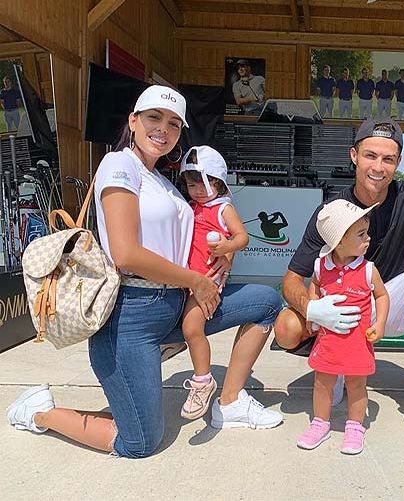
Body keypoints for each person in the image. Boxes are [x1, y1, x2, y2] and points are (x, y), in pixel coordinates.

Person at [5, 85, 284, 458]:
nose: (163, 129)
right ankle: (39, 411)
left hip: (177, 305)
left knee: (265, 301)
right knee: (139, 442)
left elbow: (187, 243)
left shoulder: (167, 183)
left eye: (173, 123)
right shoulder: (119, 164)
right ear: (133, 122)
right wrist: (197, 282)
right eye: (154, 118)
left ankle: (229, 402)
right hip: (132, 316)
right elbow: (126, 254)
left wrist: (223, 255)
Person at [274, 118, 404, 448]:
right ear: (354, 155)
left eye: (388, 159)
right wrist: (312, 308)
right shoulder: (330, 211)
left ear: (398, 163)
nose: (379, 166)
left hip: (388, 301)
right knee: (287, 326)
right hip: (342, 310)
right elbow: (292, 279)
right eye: (371, 156)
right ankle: (335, 366)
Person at [296, 200, 389, 455]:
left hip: (358, 341)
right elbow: (314, 285)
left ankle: (355, 427)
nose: (368, 239)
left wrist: (379, 323)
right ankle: (320, 423)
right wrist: (312, 310)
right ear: (338, 241)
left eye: (366, 232)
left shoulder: (369, 270)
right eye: (361, 234)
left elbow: (381, 296)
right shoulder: (319, 265)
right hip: (328, 340)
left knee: (356, 386)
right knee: (322, 383)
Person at [178, 145, 249, 420]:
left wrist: (226, 248)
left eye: (201, 184)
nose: (195, 190)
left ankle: (202, 380)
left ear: (217, 182)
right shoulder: (191, 206)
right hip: (184, 277)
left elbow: (243, 237)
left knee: (192, 327)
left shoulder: (223, 208)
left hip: (206, 279)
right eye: (190, 184)